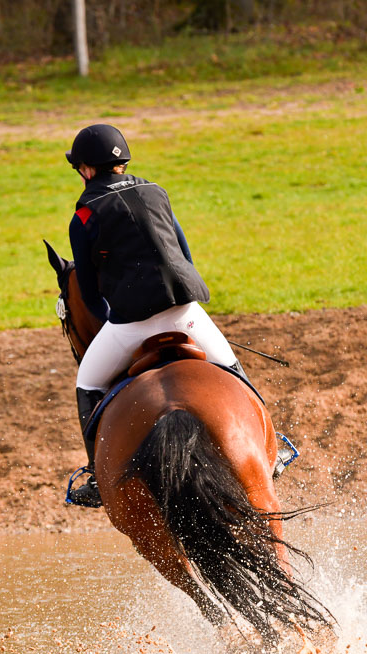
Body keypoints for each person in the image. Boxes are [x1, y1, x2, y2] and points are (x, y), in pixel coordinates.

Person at [66, 124, 257, 507]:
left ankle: (96, 476)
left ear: (85, 169)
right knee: (232, 371)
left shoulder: (83, 216)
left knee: (87, 382)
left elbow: (88, 292)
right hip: (185, 312)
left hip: (130, 325)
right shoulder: (156, 192)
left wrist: (111, 326)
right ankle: (274, 445)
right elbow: (184, 256)